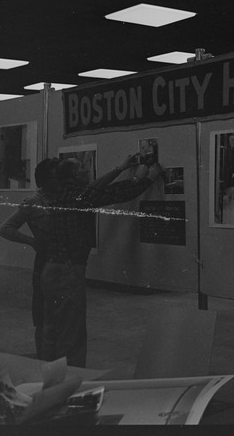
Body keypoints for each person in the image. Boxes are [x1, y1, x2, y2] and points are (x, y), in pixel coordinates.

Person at [39, 154, 162, 368]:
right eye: (85, 170)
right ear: (76, 175)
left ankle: (47, 376)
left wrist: (122, 168)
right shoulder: (82, 196)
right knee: (72, 332)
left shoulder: (59, 196)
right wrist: (147, 178)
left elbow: (97, 187)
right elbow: (118, 192)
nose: (89, 173)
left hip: (50, 270)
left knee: (52, 327)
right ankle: (72, 381)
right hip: (70, 273)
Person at [0, 157, 60, 358]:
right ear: (47, 179)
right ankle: (43, 358)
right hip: (45, 262)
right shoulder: (33, 202)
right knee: (43, 315)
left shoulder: (65, 197)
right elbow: (5, 229)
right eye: (57, 175)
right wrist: (33, 241)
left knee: (62, 315)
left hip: (66, 262)